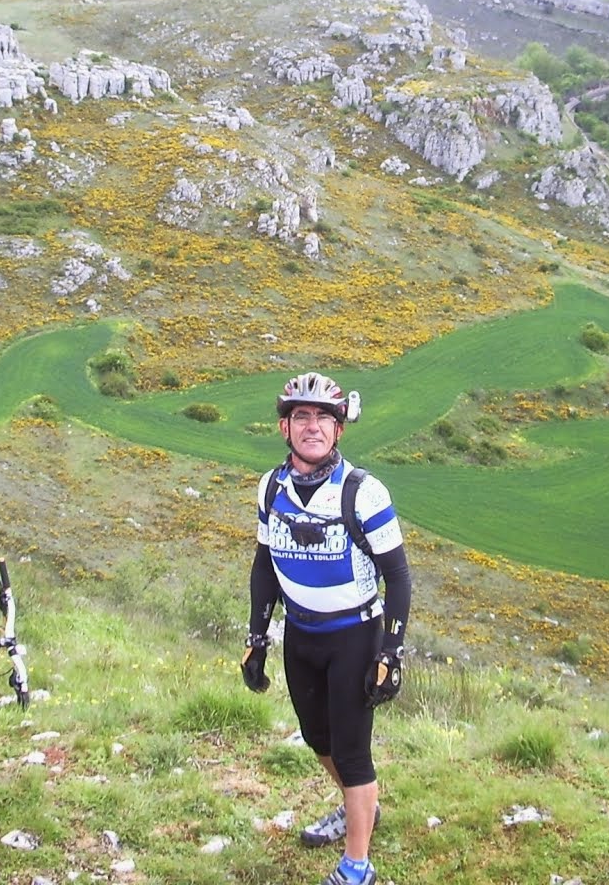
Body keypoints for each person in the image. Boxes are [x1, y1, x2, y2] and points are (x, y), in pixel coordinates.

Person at [241, 373, 412, 885]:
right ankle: (360, 808)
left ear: (339, 430)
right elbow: (263, 566)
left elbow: (398, 576)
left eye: (323, 418)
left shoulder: (363, 492)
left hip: (354, 637)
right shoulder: (271, 487)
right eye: (301, 417)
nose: (312, 427)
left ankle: (357, 865)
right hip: (300, 636)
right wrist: (256, 640)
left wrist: (390, 651)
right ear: (284, 427)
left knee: (353, 752)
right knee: (319, 739)